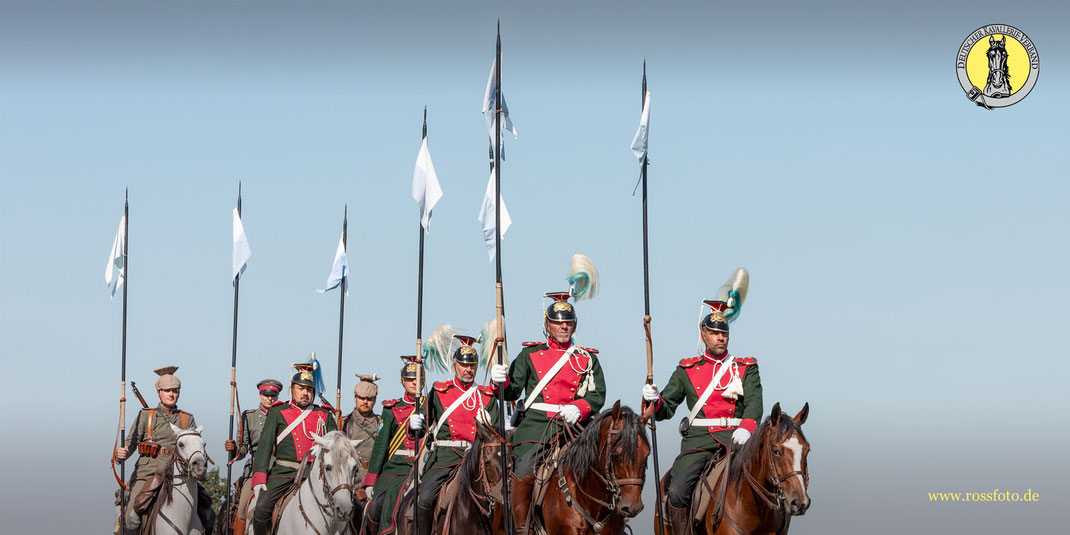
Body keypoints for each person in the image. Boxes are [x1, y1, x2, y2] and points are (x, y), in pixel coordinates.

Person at [641, 301, 763, 534]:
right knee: (677, 491)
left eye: (724, 333)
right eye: (715, 333)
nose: (720, 338)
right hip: (699, 443)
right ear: (703, 334)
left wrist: (746, 427)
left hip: (738, 442)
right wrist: (652, 399)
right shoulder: (687, 369)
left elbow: (755, 403)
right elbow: (665, 409)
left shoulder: (745, 367)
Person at [490, 291, 606, 534]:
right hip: (537, 427)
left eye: (569, 322)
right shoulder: (530, 354)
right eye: (558, 322)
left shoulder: (587, 359)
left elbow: (597, 395)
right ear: (547, 325)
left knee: (607, 467)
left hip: (576, 427)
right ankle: (522, 529)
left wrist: (580, 407)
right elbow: (511, 391)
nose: (564, 326)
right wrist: (499, 381)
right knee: (523, 472)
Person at [415, 336, 501, 535]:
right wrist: (414, 425)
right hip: (445, 458)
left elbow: (496, 437)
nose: (468, 370)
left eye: (472, 365)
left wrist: (488, 425)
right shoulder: (439, 392)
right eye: (463, 365)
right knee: (425, 498)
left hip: (478, 461)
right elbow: (422, 423)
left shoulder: (486, 396)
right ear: (455, 365)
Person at [249, 362, 338, 535]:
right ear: (292, 389)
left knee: (351, 507)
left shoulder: (325, 415)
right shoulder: (278, 412)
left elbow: (336, 449)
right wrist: (259, 477)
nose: (305, 393)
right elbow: (265, 447)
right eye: (301, 388)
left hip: (315, 474)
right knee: (261, 509)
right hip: (284, 473)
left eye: (309, 389)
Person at [113, 366, 199, 533]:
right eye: (167, 390)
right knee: (132, 516)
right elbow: (131, 442)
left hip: (180, 471)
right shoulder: (147, 415)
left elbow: (195, 445)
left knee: (207, 511)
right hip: (149, 471)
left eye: (175, 390)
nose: (171, 394)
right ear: (159, 392)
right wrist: (121, 453)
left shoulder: (187, 419)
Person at [360, 356, 424, 535]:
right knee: (375, 507)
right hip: (395, 468)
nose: (414, 383)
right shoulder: (391, 409)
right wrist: (370, 481)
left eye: (418, 379)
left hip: (421, 465)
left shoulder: (429, 405)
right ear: (403, 381)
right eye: (410, 379)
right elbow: (381, 447)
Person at [223, 378, 281, 535]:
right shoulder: (249, 417)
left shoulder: (284, 415)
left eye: (273, 395)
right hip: (255, 469)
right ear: (260, 395)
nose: (269, 398)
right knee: (242, 509)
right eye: (266, 395)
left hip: (280, 468)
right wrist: (234, 450)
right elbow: (243, 450)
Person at [342, 373, 383, 471]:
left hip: (374, 475)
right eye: (361, 398)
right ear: (355, 398)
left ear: (375, 400)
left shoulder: (381, 422)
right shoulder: (344, 422)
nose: (365, 402)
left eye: (369, 399)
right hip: (351, 475)